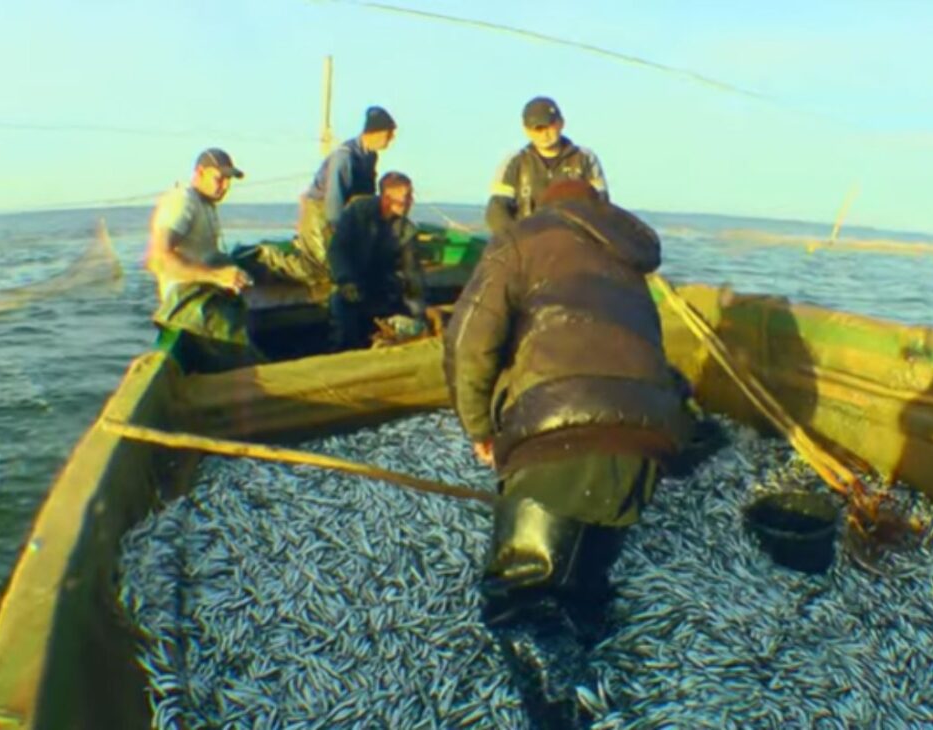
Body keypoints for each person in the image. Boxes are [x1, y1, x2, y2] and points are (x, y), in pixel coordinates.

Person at [443, 178, 691, 725]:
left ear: (541, 207)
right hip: (649, 438)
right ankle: (584, 625)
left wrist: (480, 426)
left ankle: (564, 712)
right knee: (582, 579)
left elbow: (467, 341)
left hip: (560, 433)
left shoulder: (521, 237)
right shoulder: (627, 257)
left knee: (519, 593)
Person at [247, 106, 398, 286]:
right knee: (322, 270)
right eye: (388, 135)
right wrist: (337, 234)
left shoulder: (370, 156)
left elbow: (367, 195)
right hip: (321, 210)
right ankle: (264, 255)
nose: (390, 140)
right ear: (375, 133)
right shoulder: (344, 158)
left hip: (349, 213)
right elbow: (334, 199)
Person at [145, 148, 262, 372]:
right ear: (199, 172)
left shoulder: (206, 204)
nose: (225, 186)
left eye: (229, 180)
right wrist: (217, 276)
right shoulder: (183, 200)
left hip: (206, 299)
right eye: (220, 178)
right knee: (246, 366)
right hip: (187, 306)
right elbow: (157, 259)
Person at [327, 171, 426, 350]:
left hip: (382, 284)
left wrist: (419, 312)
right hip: (351, 279)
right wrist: (345, 279)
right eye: (406, 196)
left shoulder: (407, 230)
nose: (411, 201)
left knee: (402, 315)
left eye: (412, 195)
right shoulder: (357, 212)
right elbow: (337, 249)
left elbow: (412, 272)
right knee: (342, 309)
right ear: (387, 198)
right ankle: (344, 352)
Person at [485, 96, 609, 236]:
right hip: (527, 244)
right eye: (537, 128)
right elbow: (497, 211)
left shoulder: (585, 158)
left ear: (561, 123)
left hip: (573, 244)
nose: (544, 134)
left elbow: (601, 207)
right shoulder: (514, 162)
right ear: (526, 130)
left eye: (549, 126)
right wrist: (518, 240)